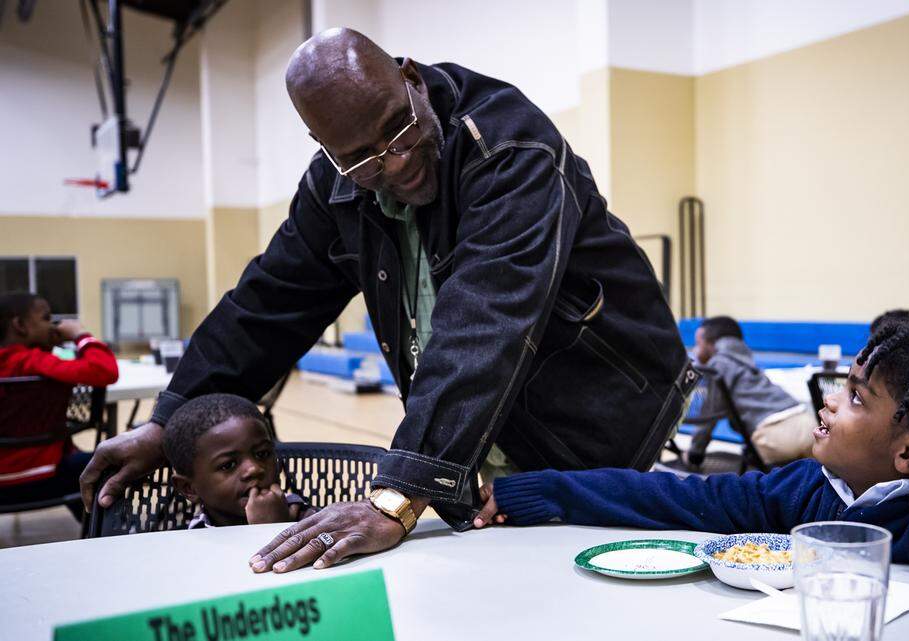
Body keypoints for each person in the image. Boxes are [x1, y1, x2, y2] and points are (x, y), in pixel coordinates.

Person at [81, 28, 694, 572]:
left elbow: (486, 320)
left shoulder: (509, 146)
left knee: (583, 573)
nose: (394, 164)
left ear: (412, 79)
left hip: (593, 408)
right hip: (485, 424)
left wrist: (400, 492)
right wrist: (169, 421)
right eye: (360, 159)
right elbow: (269, 302)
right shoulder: (334, 183)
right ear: (323, 146)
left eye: (397, 130)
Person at [475, 324, 909, 641]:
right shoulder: (804, 487)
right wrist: (537, 492)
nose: (828, 400)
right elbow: (677, 496)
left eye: (855, 397)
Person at [0, 292, 118, 520]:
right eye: (46, 319)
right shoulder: (31, 361)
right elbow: (105, 370)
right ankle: (102, 534)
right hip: (35, 478)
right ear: (20, 325)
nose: (53, 325)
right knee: (106, 463)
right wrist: (81, 336)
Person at [162, 394, 315, 528]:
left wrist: (275, 528)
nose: (254, 469)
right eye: (228, 465)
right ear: (189, 488)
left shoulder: (311, 520)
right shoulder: (195, 536)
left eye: (262, 454)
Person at [689, 316, 814, 468]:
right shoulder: (747, 362)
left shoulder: (718, 364)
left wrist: (695, 453)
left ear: (710, 344)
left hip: (775, 434)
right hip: (808, 424)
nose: (695, 350)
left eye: (698, 344)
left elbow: (709, 415)